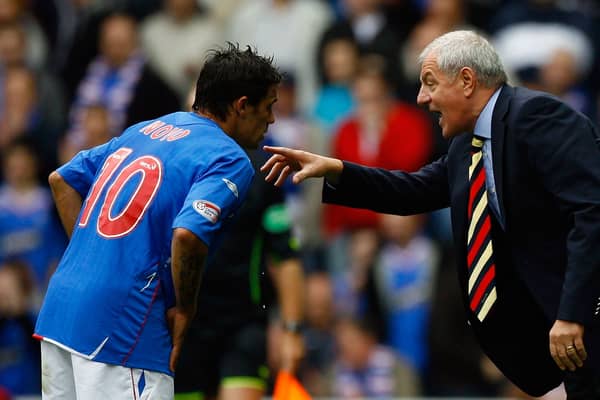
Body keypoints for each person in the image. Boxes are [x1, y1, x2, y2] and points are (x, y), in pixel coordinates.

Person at [261, 30, 600, 399]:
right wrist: (336, 169)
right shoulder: (465, 147)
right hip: (562, 343)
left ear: (467, 81)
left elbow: (592, 213)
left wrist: (572, 313)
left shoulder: (536, 116)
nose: (422, 98)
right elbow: (411, 191)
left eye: (430, 83)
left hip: (584, 322)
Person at [33, 43, 281, 400]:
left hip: (60, 312)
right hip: (123, 327)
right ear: (242, 106)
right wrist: (185, 309)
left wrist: (97, 257)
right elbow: (188, 235)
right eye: (269, 106)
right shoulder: (230, 158)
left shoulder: (146, 129)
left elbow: (63, 180)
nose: (272, 119)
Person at [174, 144, 306, 400]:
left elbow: (285, 256)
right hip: (183, 326)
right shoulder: (176, 169)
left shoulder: (262, 172)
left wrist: (292, 330)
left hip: (243, 325)